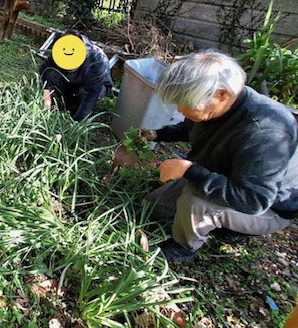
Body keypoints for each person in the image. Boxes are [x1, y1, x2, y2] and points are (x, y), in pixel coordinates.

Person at [142, 50, 298, 262]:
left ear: (222, 95)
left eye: (186, 103)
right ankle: (220, 225)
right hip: (228, 176)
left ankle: (183, 247)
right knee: (153, 205)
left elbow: (253, 200)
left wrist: (190, 171)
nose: (180, 109)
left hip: (268, 208)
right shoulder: (215, 106)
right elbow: (190, 128)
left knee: (195, 199)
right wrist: (158, 134)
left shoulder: (264, 133)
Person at [39, 30, 113, 121]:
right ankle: (66, 103)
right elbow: (44, 69)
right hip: (71, 81)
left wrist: (77, 121)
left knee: (84, 93)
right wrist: (46, 97)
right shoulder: (62, 49)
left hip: (93, 86)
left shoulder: (97, 60)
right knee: (51, 74)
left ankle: (77, 109)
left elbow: (91, 93)